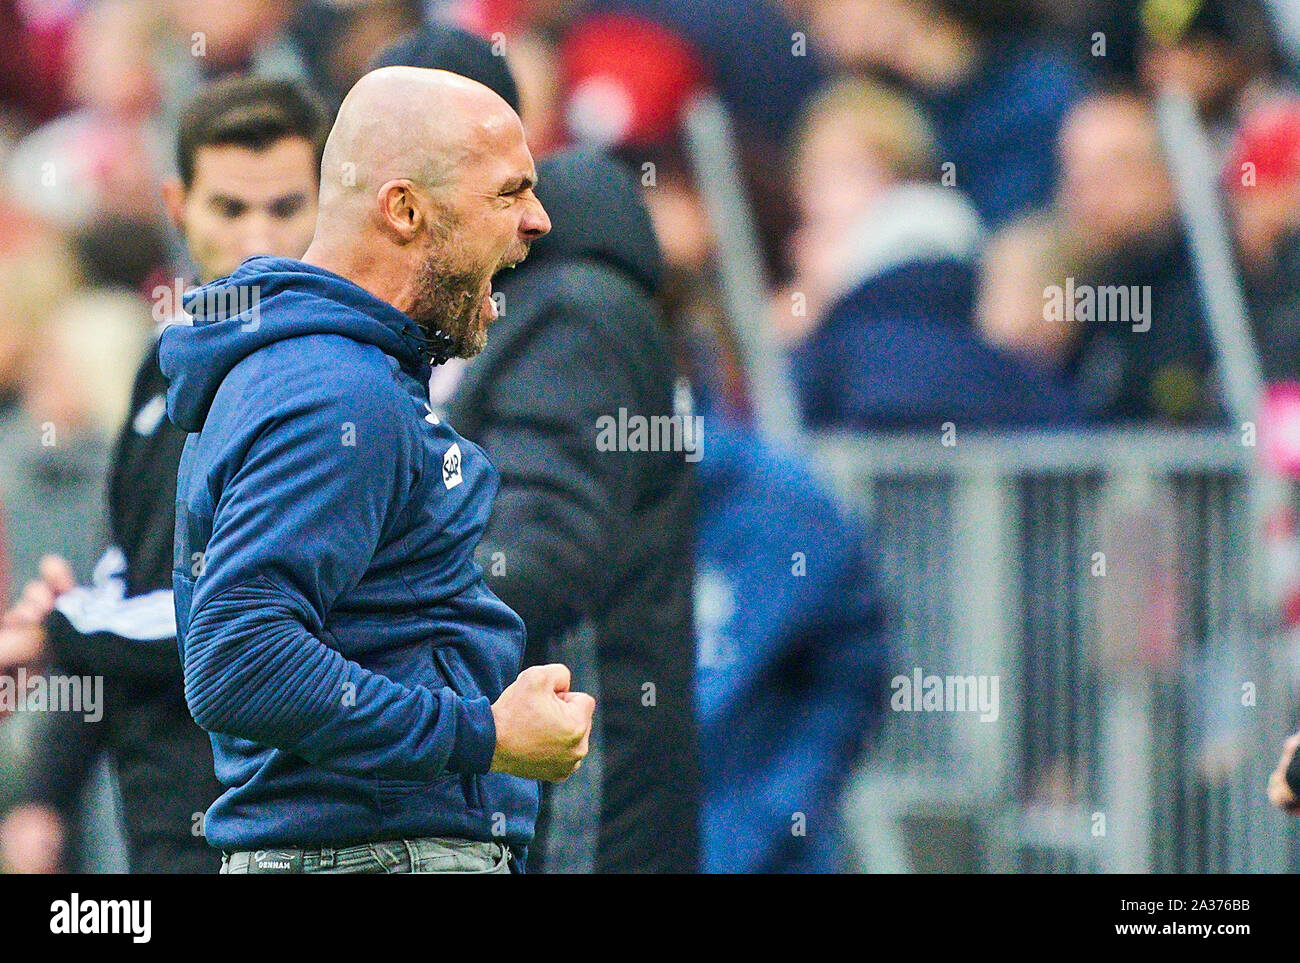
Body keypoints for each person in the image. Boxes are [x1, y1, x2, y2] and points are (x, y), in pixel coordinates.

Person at [159, 66, 592, 875]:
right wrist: (487, 735)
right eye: (508, 192)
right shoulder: (338, 393)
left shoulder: (331, 373)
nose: (539, 220)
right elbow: (239, 657)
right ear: (404, 209)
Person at [0, 75, 331, 873]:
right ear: (178, 207)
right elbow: (131, 579)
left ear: (328, 208)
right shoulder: (165, 369)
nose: (258, 237)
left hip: (272, 825)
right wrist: (43, 792)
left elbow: (255, 620)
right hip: (156, 822)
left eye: (285, 207)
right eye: (230, 207)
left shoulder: (327, 381)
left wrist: (71, 624)